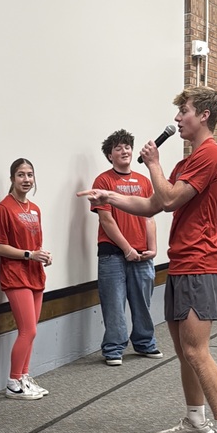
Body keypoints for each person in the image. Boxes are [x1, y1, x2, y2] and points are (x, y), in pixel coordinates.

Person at [78, 87, 217, 433]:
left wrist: (153, 162)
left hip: (201, 264)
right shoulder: (188, 162)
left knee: (196, 352)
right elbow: (153, 205)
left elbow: (168, 198)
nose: (177, 119)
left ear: (203, 115)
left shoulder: (211, 155)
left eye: (183, 112)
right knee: (184, 352)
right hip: (181, 263)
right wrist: (110, 198)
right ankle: (196, 421)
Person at [91, 129, 162, 365]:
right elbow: (106, 219)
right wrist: (126, 249)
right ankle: (113, 349)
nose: (124, 151)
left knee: (142, 303)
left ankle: (144, 344)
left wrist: (152, 248)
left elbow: (149, 216)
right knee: (114, 304)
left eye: (127, 147)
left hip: (142, 255)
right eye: (118, 148)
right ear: (110, 155)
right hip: (112, 254)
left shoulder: (143, 181)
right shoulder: (103, 181)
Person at [0, 158, 52, 400]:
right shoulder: (5, 208)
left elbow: (35, 245)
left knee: (33, 330)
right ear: (12, 179)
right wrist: (29, 255)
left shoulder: (35, 209)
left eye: (30, 175)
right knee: (27, 330)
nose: (26, 179)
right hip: (15, 276)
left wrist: (41, 256)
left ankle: (23, 377)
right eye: (21, 175)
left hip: (35, 274)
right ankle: (12, 381)